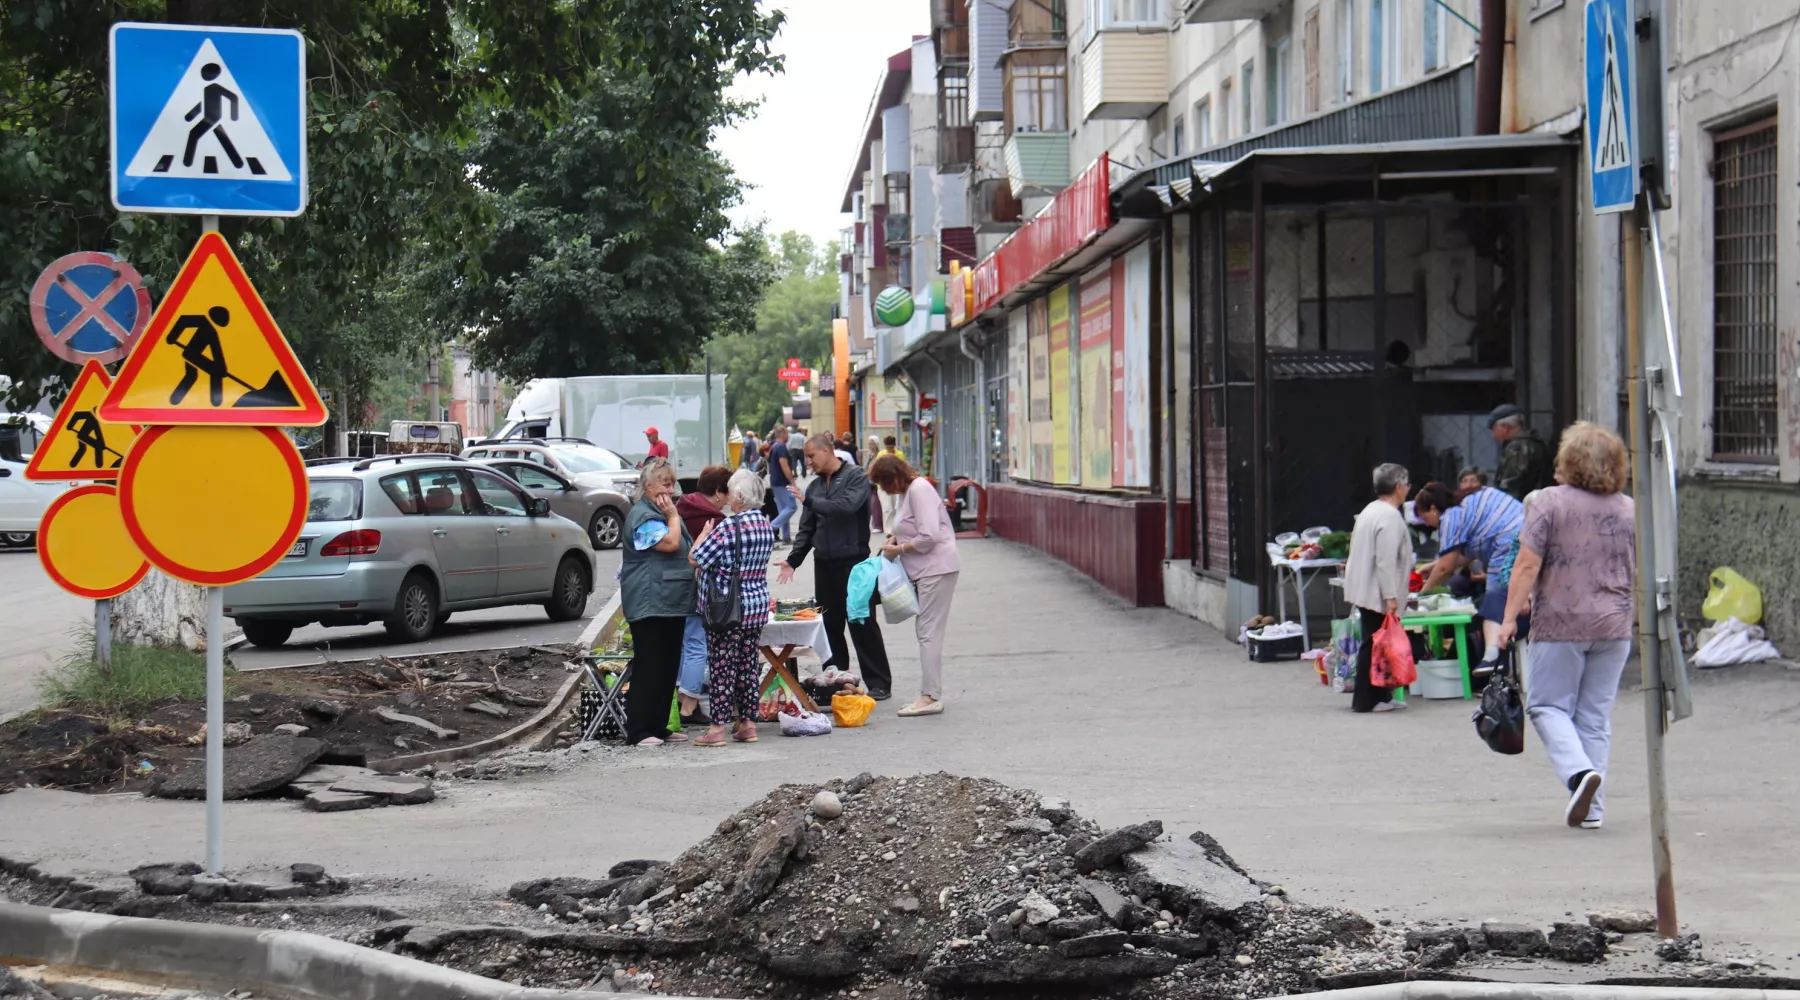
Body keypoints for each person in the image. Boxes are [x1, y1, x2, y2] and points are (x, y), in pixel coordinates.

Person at [1497, 422, 1635, 831]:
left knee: (1547, 706)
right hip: (1615, 624)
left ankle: (1578, 775)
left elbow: (1526, 563)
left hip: (1562, 621)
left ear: (1568, 461)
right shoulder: (1628, 507)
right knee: (1593, 717)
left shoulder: (1547, 503)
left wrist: (1507, 619)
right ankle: (1592, 809)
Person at [776, 434, 893, 700]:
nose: (808, 462)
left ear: (827, 451)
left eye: (811, 456)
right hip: (825, 564)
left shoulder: (855, 477)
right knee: (830, 625)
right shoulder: (816, 486)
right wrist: (793, 560)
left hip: (854, 563)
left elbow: (846, 507)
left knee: (861, 621)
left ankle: (879, 682)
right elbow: (807, 528)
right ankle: (837, 680)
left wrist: (808, 501)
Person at [689, 469, 777, 747]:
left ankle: (716, 729)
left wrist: (703, 534)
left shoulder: (729, 526)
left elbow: (697, 558)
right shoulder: (765, 525)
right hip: (756, 606)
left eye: (730, 491)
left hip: (727, 608)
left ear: (739, 496)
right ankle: (748, 724)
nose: (727, 497)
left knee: (722, 666)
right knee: (748, 666)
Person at [869, 455, 960, 717]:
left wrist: (899, 548)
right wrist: (897, 536)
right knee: (926, 631)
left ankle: (930, 696)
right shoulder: (907, 492)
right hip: (927, 570)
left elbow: (930, 535)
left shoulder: (919, 489)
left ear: (893, 477)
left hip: (936, 568)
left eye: (884, 483)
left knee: (928, 632)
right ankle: (929, 693)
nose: (884, 490)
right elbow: (913, 526)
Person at [618, 457, 693, 746]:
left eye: (673, 482)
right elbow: (670, 544)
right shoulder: (643, 515)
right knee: (650, 664)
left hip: (670, 600)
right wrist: (674, 518)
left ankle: (659, 725)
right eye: (665, 482)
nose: (671, 488)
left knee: (668, 664)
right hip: (650, 601)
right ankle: (638, 730)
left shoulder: (660, 512)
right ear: (648, 486)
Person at [1413, 479, 1525, 662]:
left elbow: (1446, 567)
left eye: (1426, 518)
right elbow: (1463, 555)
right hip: (1522, 532)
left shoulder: (1450, 516)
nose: (1428, 524)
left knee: (1494, 597)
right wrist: (1432, 567)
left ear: (1433, 508)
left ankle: (1491, 656)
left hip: (1508, 539)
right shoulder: (1464, 507)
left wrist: (1423, 594)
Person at [1342, 463, 1414, 714]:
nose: (1408, 489)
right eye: (1406, 485)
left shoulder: (1370, 510)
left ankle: (1381, 696)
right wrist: (1391, 595)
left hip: (1365, 586)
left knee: (1377, 641)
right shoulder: (1390, 516)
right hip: (1377, 589)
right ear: (1398, 487)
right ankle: (1365, 699)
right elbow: (1385, 559)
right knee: (1375, 643)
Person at [673, 465, 733, 726]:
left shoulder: (680, 507)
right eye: (728, 492)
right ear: (719, 492)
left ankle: (678, 699)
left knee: (682, 644)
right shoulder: (714, 520)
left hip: (673, 585)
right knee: (698, 644)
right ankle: (689, 707)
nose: (730, 498)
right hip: (697, 587)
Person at [1489, 404, 1554, 501]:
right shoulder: (1534, 442)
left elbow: (1511, 485)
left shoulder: (1517, 447)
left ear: (1505, 427)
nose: (1493, 435)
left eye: (1494, 429)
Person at [767, 427, 797, 544]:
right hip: (783, 482)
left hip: (775, 482)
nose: (788, 436)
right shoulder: (781, 447)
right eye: (787, 433)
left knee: (783, 510)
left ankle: (786, 536)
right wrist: (792, 482)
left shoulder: (774, 447)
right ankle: (769, 529)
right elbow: (784, 466)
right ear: (783, 434)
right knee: (791, 507)